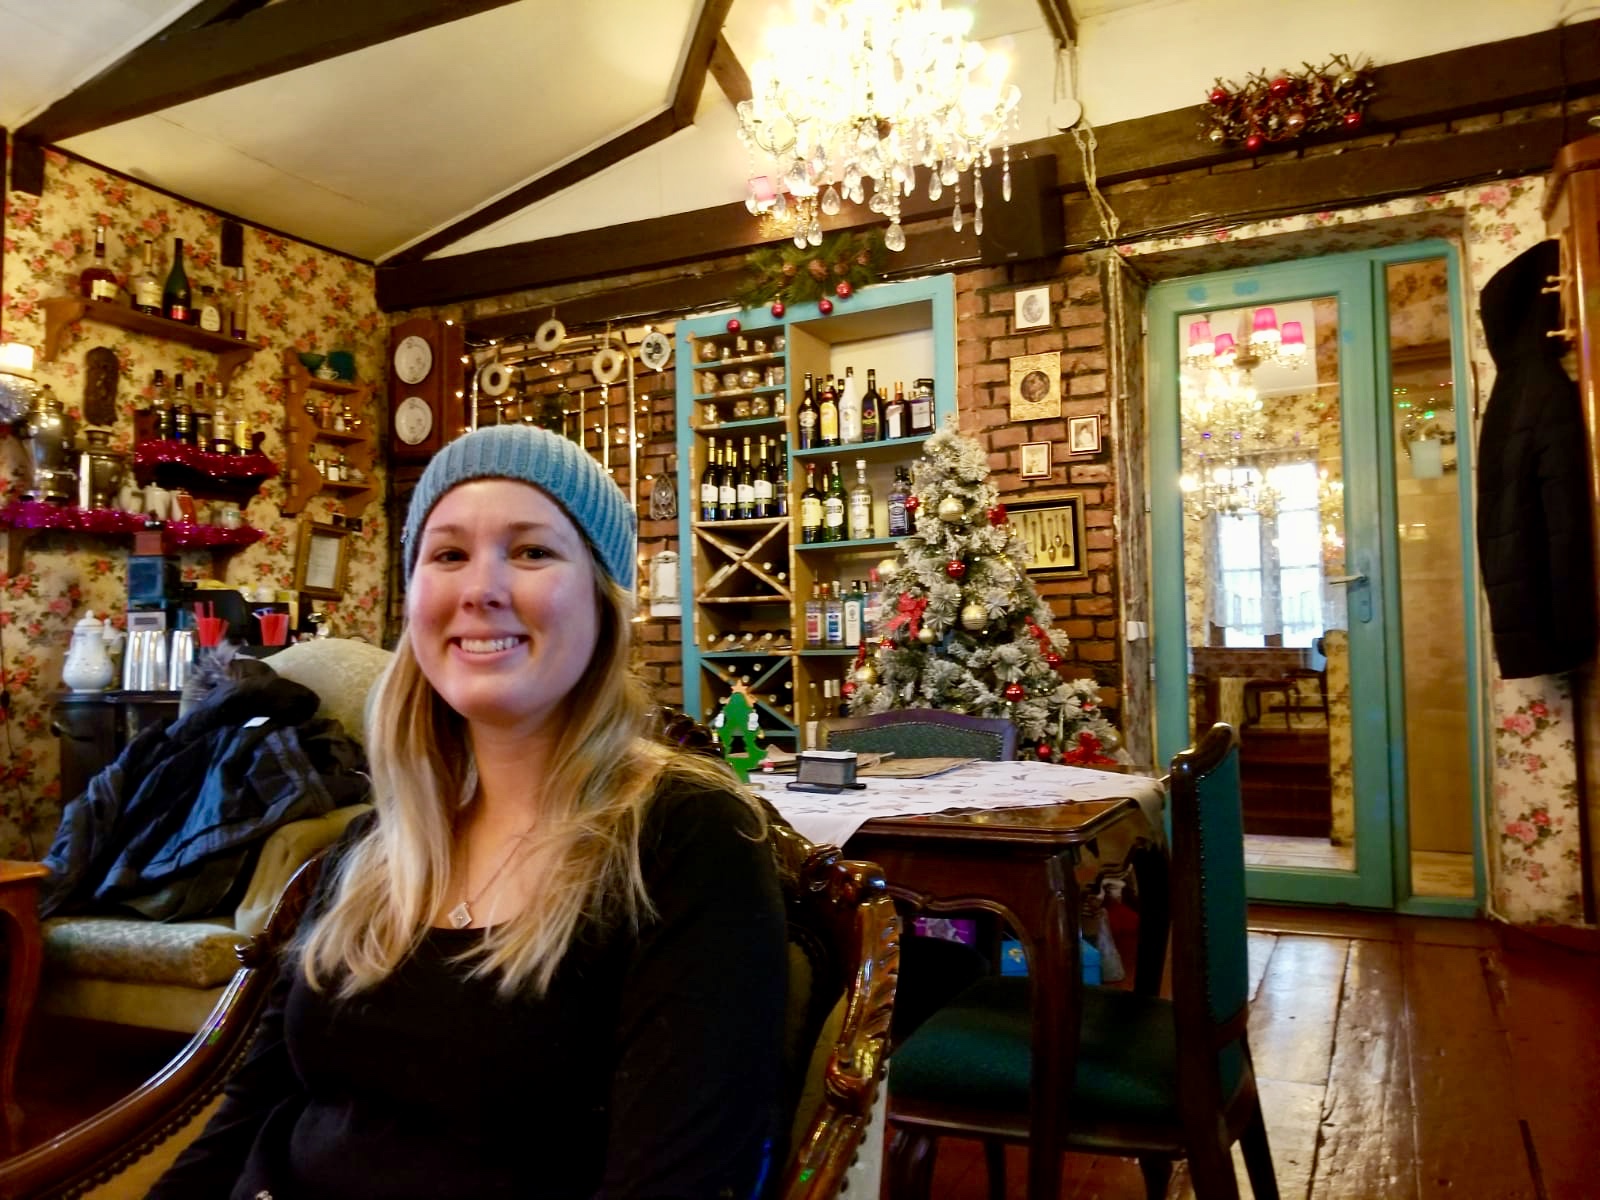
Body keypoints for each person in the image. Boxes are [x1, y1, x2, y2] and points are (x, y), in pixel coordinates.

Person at [150, 424, 787, 1199]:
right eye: (448, 554)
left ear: (604, 600)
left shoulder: (689, 839)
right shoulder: (372, 846)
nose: (480, 589)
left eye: (532, 551)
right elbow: (251, 1112)